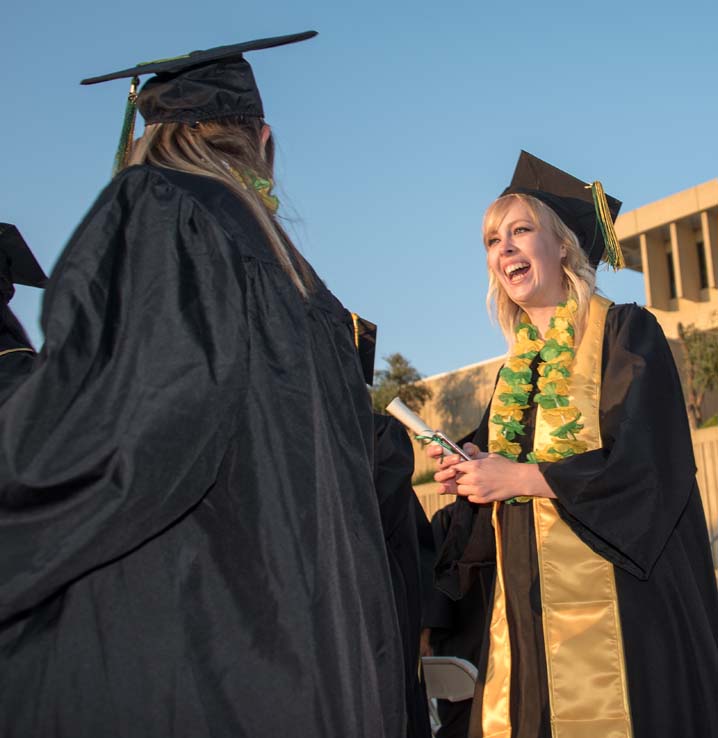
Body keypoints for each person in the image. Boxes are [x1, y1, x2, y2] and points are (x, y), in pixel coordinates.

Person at [0, 32, 405, 738]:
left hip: (193, 644)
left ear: (149, 139)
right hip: (298, 666)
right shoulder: (308, 292)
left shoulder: (161, 210)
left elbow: (117, 435)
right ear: (263, 141)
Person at [427, 151, 718, 738]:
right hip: (529, 619)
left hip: (627, 617)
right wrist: (470, 468)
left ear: (561, 247)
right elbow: (493, 492)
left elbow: (649, 465)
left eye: (520, 231)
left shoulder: (626, 333)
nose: (503, 248)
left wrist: (522, 478)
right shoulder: (513, 375)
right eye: (492, 240)